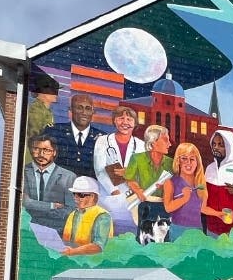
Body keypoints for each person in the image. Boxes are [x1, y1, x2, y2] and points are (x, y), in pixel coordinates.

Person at [92, 104, 145, 235]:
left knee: (128, 233)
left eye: (129, 119)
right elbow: (100, 170)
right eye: (121, 118)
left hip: (131, 196)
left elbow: (142, 173)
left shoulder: (141, 145)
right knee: (107, 231)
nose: (125, 122)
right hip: (108, 195)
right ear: (114, 120)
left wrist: (130, 172)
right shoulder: (102, 141)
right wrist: (114, 191)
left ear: (135, 123)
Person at [23, 133, 77, 231]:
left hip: (56, 232)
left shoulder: (69, 177)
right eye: (36, 149)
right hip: (26, 229)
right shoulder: (21, 172)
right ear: (31, 150)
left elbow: (71, 210)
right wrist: (51, 206)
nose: (41, 154)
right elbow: (23, 202)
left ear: (54, 152)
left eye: (46, 150)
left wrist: (33, 205)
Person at [47, 91, 106, 177]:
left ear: (93, 112)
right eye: (79, 107)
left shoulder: (103, 138)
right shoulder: (55, 131)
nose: (84, 112)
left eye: (88, 108)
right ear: (71, 109)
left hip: (90, 188)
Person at [124, 124, 174, 225]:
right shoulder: (137, 158)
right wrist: (138, 191)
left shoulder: (171, 163)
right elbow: (129, 179)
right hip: (143, 203)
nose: (169, 144)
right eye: (165, 140)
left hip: (163, 206)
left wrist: (168, 189)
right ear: (153, 142)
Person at [162, 142, 212, 235]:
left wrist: (219, 214)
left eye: (192, 159)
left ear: (197, 162)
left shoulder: (200, 183)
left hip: (197, 231)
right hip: (178, 230)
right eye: (184, 158)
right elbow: (168, 208)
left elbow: (203, 209)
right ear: (178, 161)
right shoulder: (170, 182)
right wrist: (184, 198)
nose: (188, 162)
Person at [61, 176, 113, 256]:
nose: (75, 198)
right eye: (74, 194)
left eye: (81, 195)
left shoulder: (103, 216)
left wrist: (72, 252)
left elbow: (98, 247)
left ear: (92, 196)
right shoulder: (73, 214)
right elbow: (66, 240)